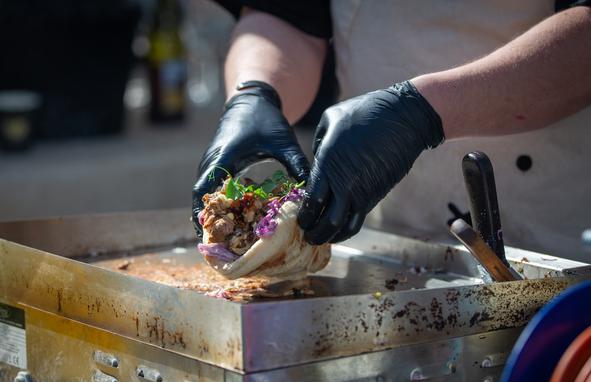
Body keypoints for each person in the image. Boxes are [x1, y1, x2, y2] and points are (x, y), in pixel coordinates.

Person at [193, 1, 591, 261]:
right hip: (385, 240)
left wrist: (423, 112)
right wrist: (256, 90)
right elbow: (284, 14)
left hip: (553, 241)